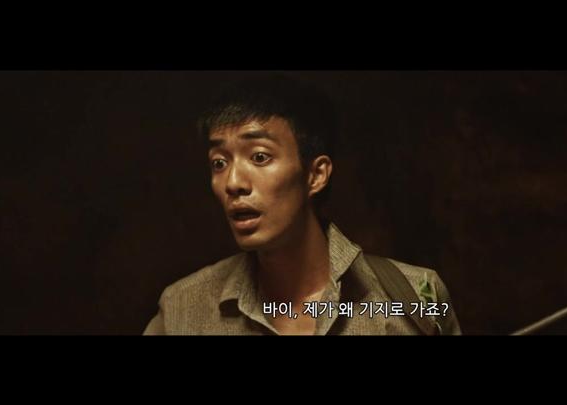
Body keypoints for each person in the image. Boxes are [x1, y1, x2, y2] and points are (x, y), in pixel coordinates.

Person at [143, 74, 461, 335]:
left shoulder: (417, 296)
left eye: (259, 157)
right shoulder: (182, 310)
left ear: (316, 175)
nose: (233, 182)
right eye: (219, 163)